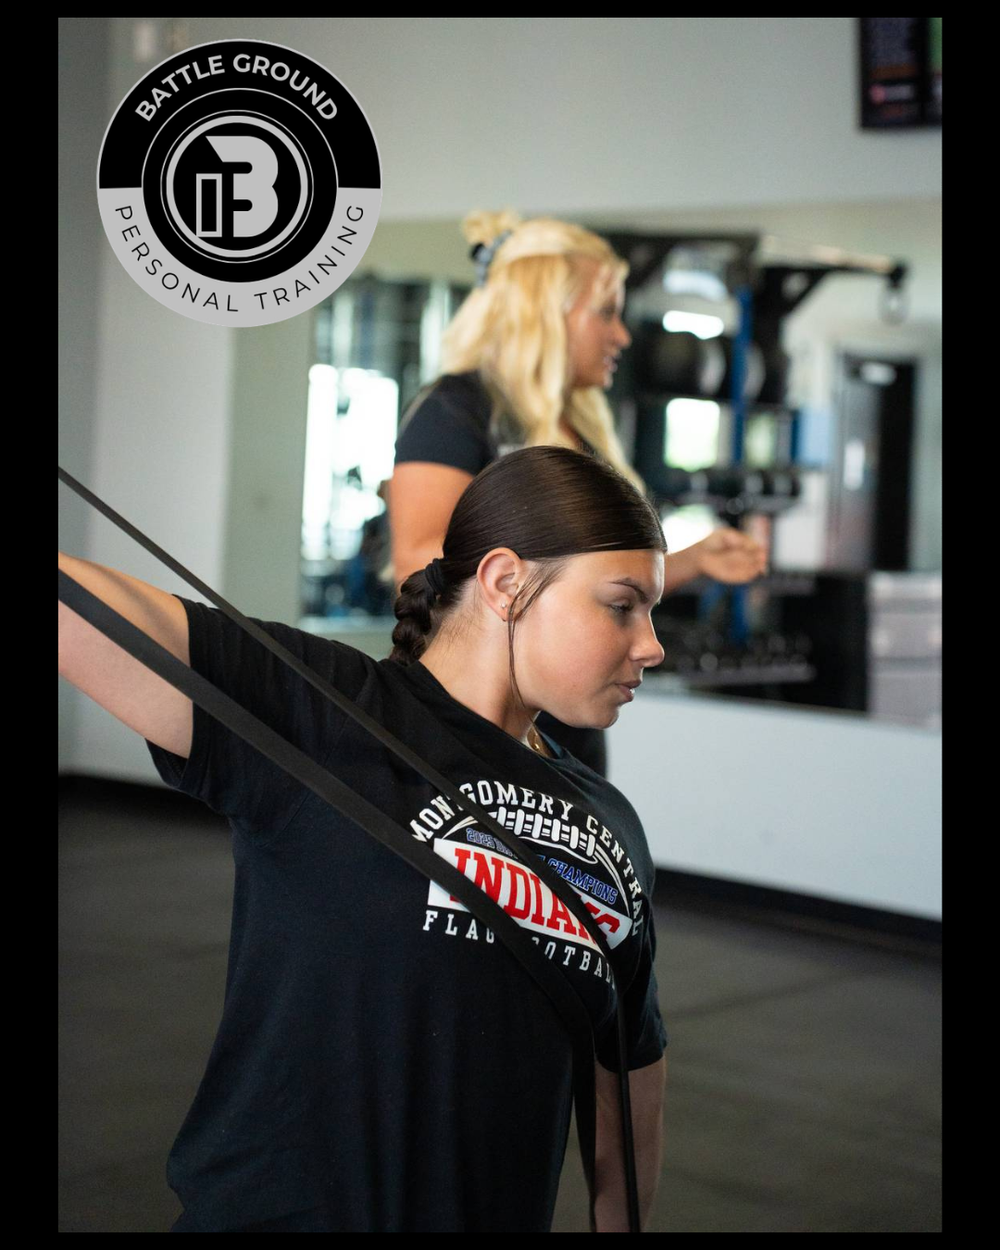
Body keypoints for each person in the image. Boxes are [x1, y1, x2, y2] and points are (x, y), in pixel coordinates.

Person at [58, 446, 670, 1233]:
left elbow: (626, 1065)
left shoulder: (608, 824)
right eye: (623, 605)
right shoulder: (327, 714)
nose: (651, 644)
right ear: (506, 583)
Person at [391, 209, 767, 777]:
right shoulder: (454, 410)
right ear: (547, 312)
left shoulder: (585, 425)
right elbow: (418, 562)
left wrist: (691, 563)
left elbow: (592, 576)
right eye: (606, 312)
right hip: (481, 718)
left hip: (563, 716)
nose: (622, 334)